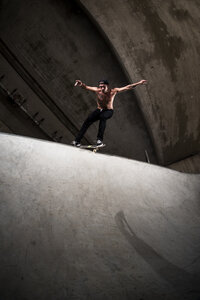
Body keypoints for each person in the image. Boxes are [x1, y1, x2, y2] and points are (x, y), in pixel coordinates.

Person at [72, 78, 147, 147]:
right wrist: (81, 84)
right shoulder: (97, 90)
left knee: (103, 117)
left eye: (103, 87)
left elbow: (128, 87)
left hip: (108, 111)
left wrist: (139, 83)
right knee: (87, 121)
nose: (102, 88)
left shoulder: (113, 91)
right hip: (99, 110)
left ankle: (99, 140)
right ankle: (77, 141)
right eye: (100, 86)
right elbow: (86, 87)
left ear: (107, 86)